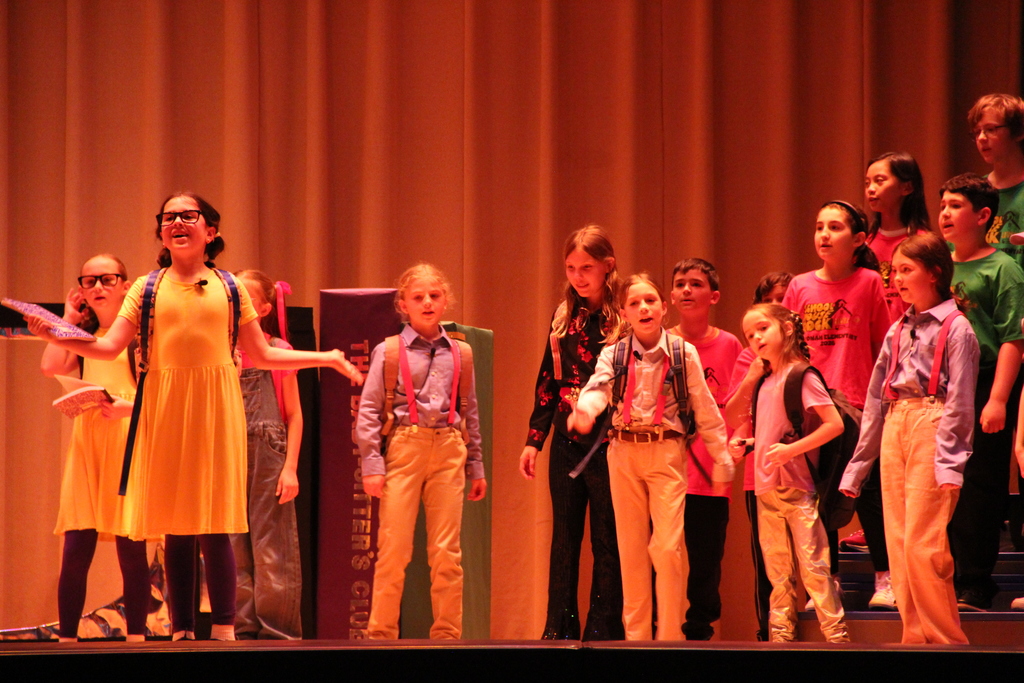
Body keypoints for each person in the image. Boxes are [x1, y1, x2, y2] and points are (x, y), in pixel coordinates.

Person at [27, 192, 362, 641]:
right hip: (165, 405)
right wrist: (58, 332)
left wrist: (327, 357)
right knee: (170, 521)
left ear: (211, 230)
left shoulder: (229, 286)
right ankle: (182, 629)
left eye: (188, 215)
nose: (177, 222)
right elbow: (107, 346)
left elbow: (261, 353)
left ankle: (223, 632)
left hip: (214, 403)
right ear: (162, 232)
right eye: (169, 217)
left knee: (214, 518)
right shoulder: (146, 288)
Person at [568, 273, 734, 641]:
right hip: (623, 452)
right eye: (634, 303)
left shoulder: (681, 352)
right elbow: (599, 386)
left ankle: (670, 637)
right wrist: (586, 410)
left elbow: (706, 411)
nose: (643, 308)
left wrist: (722, 459)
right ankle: (637, 639)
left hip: (665, 451)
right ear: (624, 313)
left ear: (662, 306)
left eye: (650, 301)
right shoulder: (615, 352)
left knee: (668, 547)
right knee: (630, 549)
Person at [840, 232, 978, 644]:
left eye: (906, 270)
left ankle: (946, 641)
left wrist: (950, 464)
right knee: (899, 545)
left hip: (932, 424)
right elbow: (875, 400)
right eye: (893, 271)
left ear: (934, 272)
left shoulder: (957, 328)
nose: (896, 279)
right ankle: (915, 639)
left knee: (924, 545)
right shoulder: (897, 330)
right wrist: (858, 468)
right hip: (897, 422)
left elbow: (961, 403)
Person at [355, 263, 487, 640]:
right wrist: (372, 464)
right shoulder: (390, 350)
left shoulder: (460, 352)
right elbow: (368, 408)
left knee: (447, 552)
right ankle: (380, 635)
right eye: (418, 297)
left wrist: (476, 465)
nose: (427, 303)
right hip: (405, 446)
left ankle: (447, 636)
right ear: (403, 304)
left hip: (448, 447)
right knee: (394, 549)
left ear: (446, 300)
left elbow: (469, 410)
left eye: (435, 295)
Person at [781, 201, 893, 610]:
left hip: (861, 403)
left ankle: (886, 576)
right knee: (819, 496)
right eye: (818, 226)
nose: (824, 234)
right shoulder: (800, 286)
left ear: (859, 239)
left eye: (834, 227)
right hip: (816, 408)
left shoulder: (868, 282)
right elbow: (790, 349)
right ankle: (829, 579)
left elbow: (882, 344)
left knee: (869, 494)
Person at [518, 225, 625, 640]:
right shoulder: (564, 315)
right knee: (564, 537)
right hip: (566, 439)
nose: (578, 277)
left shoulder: (623, 318)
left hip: (609, 442)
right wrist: (534, 439)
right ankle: (558, 631)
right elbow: (548, 379)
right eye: (570, 268)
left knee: (607, 540)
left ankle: (603, 635)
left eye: (587, 268)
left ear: (608, 268)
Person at [40, 254, 149, 642]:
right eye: (89, 281)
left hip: (127, 443)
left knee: (132, 550)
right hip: (88, 445)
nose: (98, 287)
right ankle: (67, 640)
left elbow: (159, 399)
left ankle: (137, 638)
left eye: (107, 279)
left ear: (125, 284)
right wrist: (68, 318)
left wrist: (126, 408)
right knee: (76, 547)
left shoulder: (141, 337)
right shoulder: (82, 337)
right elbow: (51, 366)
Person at [731, 303, 849, 643]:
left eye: (762, 328)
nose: (755, 337)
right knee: (777, 574)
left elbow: (834, 425)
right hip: (767, 488)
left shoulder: (802, 375)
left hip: (799, 487)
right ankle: (780, 641)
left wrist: (790, 451)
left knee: (814, 569)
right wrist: (751, 443)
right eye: (749, 334)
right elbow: (734, 411)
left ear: (786, 328)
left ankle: (838, 640)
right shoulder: (764, 381)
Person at [938, 173, 1024, 610]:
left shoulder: (1002, 268)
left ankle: (974, 581)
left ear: (983, 215)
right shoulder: (938, 264)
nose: (945, 214)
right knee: (940, 483)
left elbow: (1013, 337)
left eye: (955, 205)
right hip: (941, 387)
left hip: (985, 380)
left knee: (979, 484)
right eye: (943, 206)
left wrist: (998, 399)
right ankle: (939, 577)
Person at [666, 258, 741, 641]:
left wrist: (736, 444)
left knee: (705, 562)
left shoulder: (729, 344)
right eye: (679, 283)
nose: (686, 290)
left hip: (710, 474)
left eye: (695, 284)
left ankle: (699, 634)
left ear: (713, 296)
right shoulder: (663, 344)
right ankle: (654, 632)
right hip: (664, 472)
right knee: (660, 555)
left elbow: (743, 404)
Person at [229, 270, 303, 639]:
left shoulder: (280, 351)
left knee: (272, 548)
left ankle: (278, 636)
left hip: (269, 451)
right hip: (226, 453)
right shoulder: (220, 353)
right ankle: (241, 633)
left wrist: (290, 468)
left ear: (262, 308)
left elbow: (294, 414)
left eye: (244, 297)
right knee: (233, 550)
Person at [724, 271, 792, 641]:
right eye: (771, 303)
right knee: (769, 566)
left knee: (812, 562)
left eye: (785, 300)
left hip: (804, 475)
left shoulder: (805, 356)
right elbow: (733, 415)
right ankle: (770, 638)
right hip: (761, 477)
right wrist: (752, 375)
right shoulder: (750, 358)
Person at [864, 151, 933, 322]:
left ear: (907, 187)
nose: (871, 189)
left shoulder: (924, 244)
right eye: (867, 183)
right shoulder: (864, 244)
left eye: (879, 181)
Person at [967, 94, 1024, 267]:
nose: (981, 138)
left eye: (991, 129)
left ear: (1019, 132)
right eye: (977, 132)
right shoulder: (975, 192)